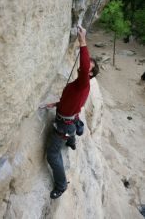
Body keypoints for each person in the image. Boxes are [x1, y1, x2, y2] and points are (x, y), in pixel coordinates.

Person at [40, 26, 99, 199]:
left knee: (52, 155)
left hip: (65, 124)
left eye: (88, 67)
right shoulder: (79, 85)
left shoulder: (83, 83)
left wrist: (82, 41)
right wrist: (56, 103)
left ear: (90, 73)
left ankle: (61, 184)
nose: (84, 67)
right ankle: (72, 142)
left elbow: (85, 63)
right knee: (71, 125)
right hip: (70, 119)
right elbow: (71, 101)